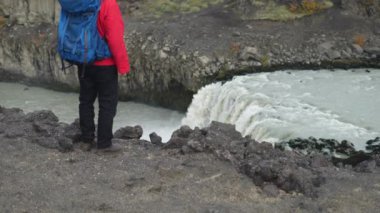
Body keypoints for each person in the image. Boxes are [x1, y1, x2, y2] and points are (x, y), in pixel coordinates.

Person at [77, 0, 130, 152]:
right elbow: (115, 39)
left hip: (84, 61)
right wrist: (123, 66)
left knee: (85, 100)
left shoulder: (79, 2)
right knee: (107, 104)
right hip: (105, 64)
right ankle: (104, 144)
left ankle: (86, 140)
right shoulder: (108, 4)